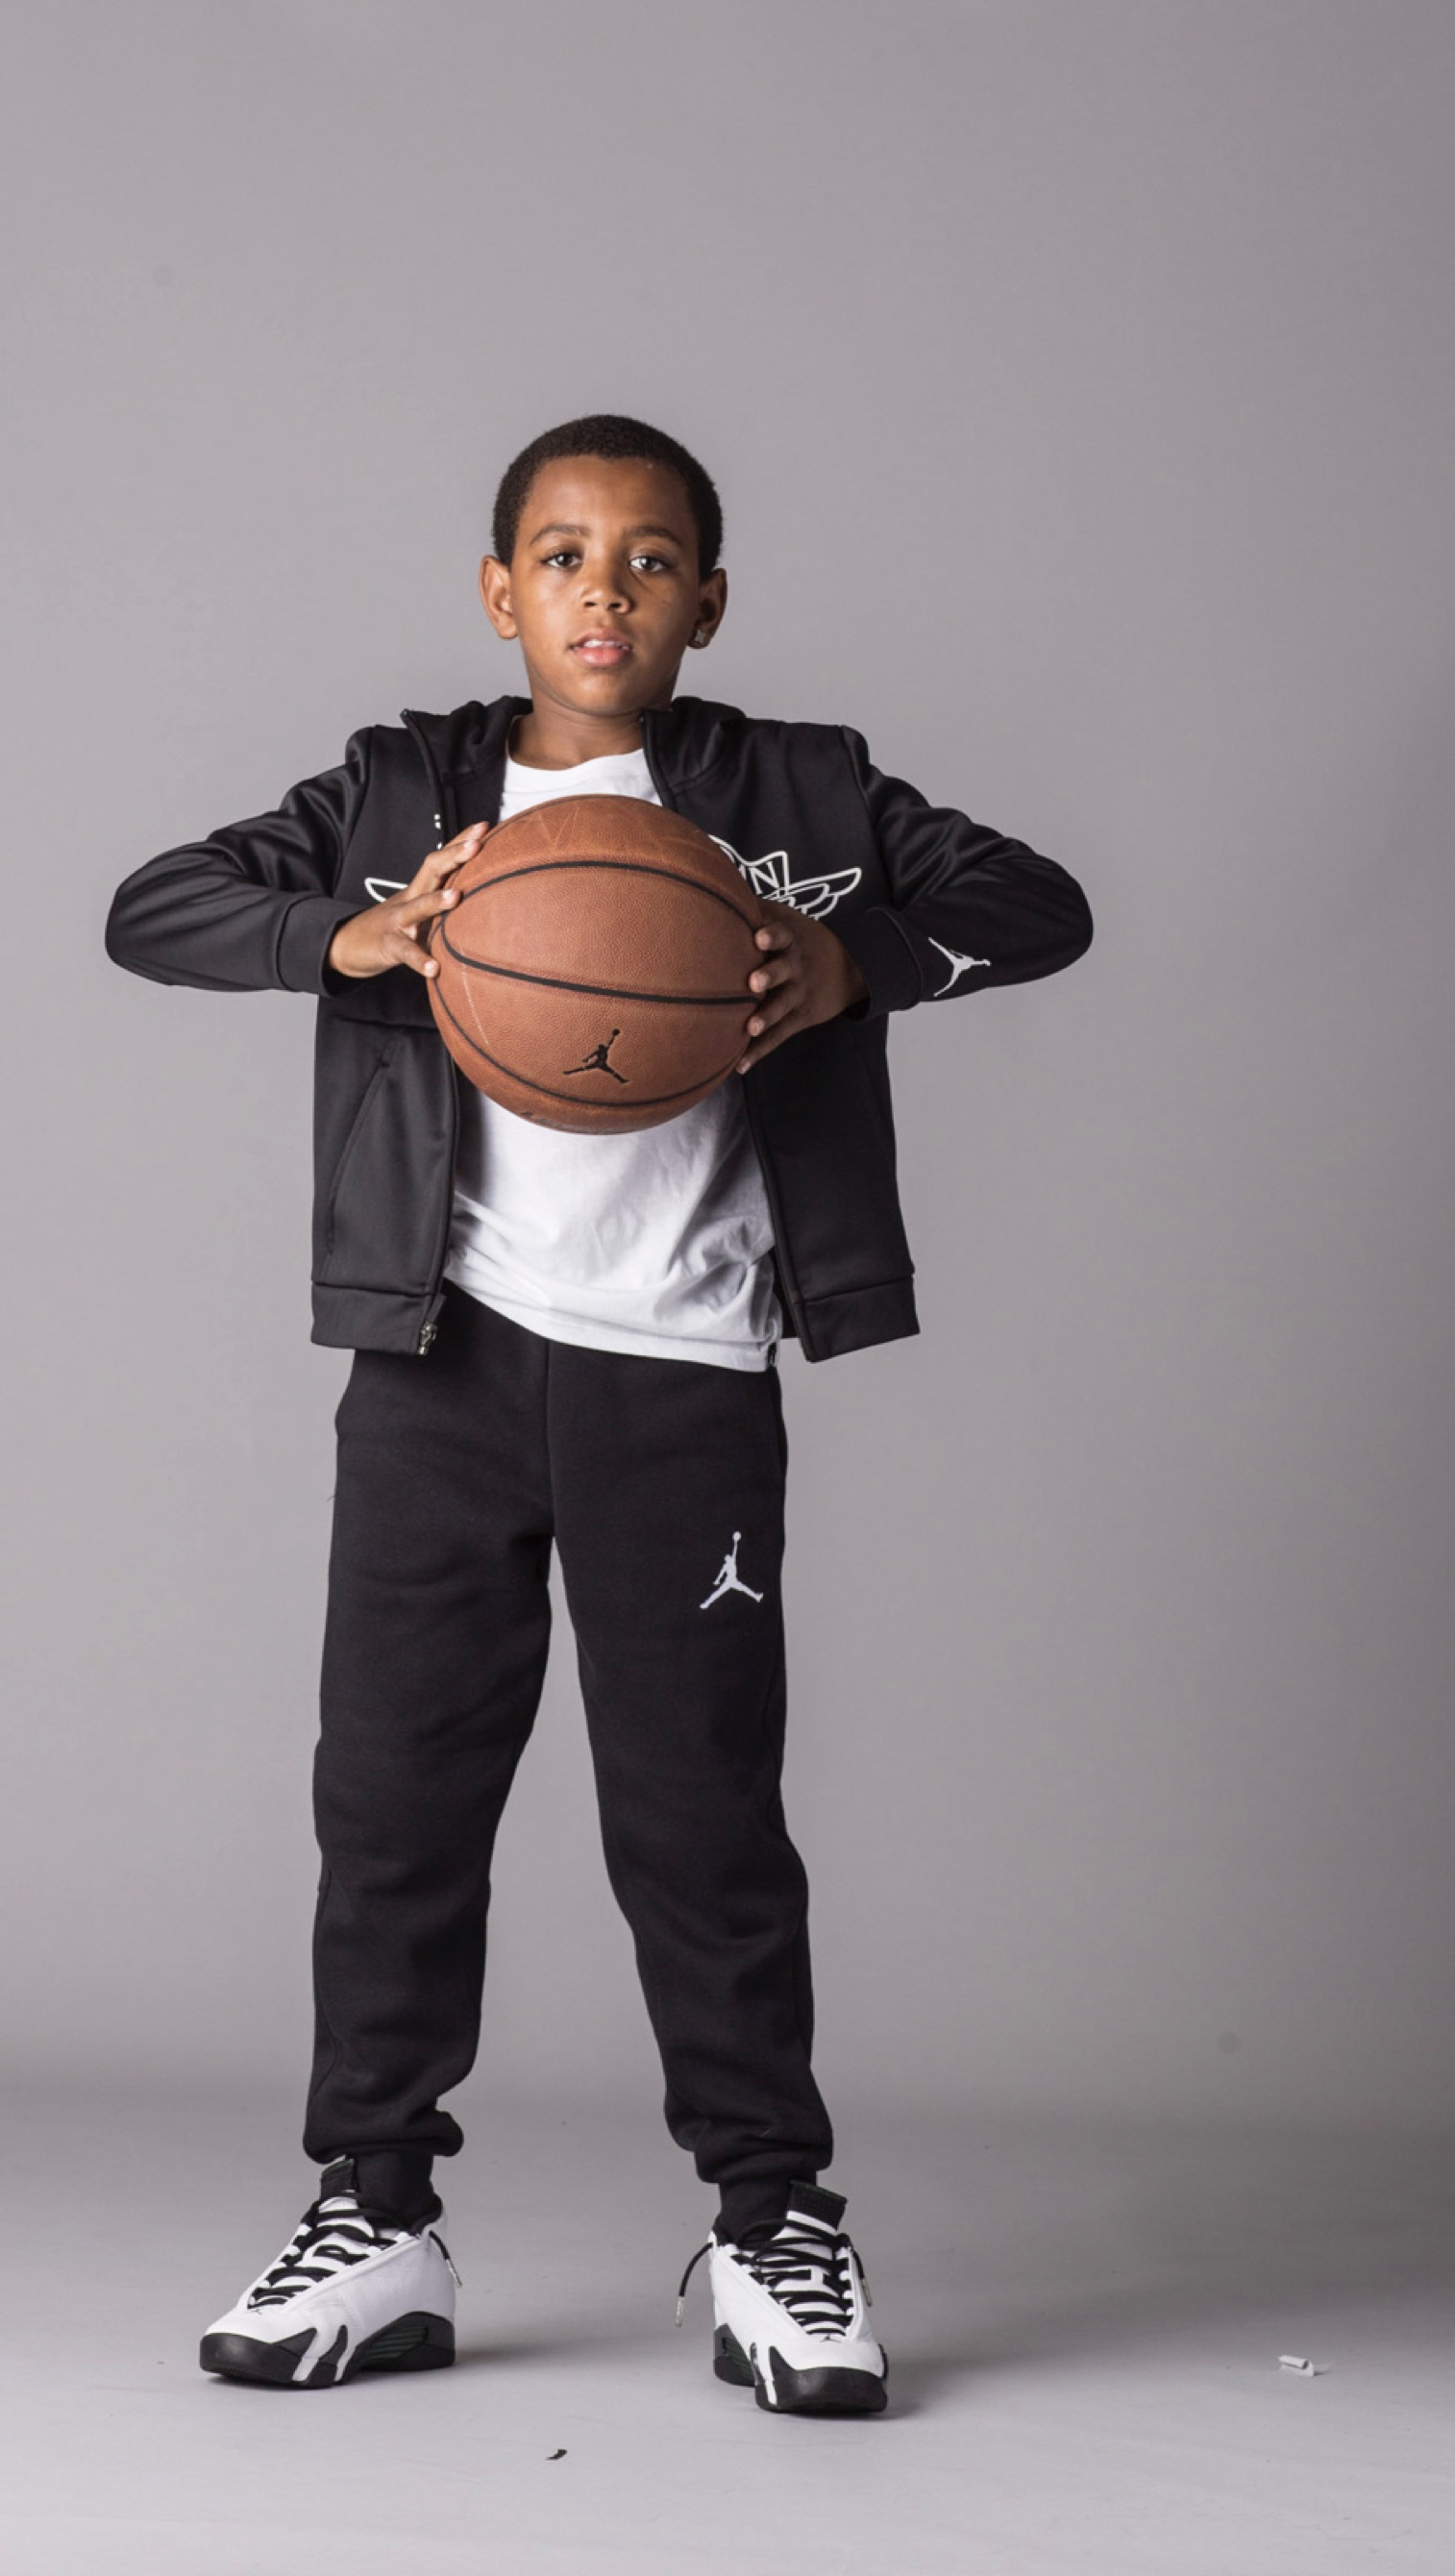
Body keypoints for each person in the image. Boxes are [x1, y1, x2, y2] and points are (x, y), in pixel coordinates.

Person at [105, 413, 1092, 2416]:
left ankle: (770, 2223)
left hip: (686, 1376)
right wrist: (357, 930)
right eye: (563, 555)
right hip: (441, 1365)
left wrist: (855, 962)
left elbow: (1045, 901)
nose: (605, 590)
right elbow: (153, 905)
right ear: (500, 590)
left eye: (651, 560)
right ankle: (375, 2213)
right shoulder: (399, 792)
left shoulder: (801, 796)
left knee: (703, 1823)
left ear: (708, 602)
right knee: (390, 1808)